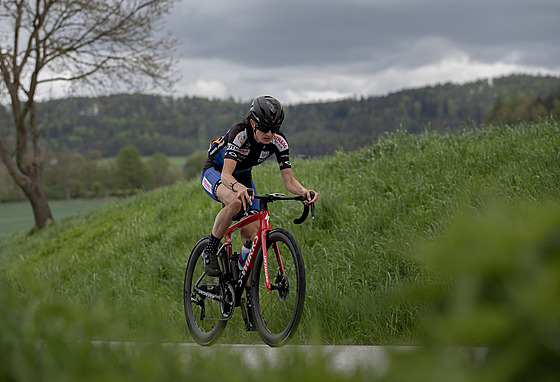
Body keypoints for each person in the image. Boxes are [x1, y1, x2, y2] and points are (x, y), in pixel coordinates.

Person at [200, 95, 319, 276]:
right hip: (216, 170)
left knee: (252, 236)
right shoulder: (239, 134)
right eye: (265, 128)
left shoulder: (278, 141)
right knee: (234, 201)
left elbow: (289, 181)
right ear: (253, 122)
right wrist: (237, 188)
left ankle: (246, 292)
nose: (270, 134)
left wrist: (304, 192)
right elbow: (226, 175)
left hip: (243, 175)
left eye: (274, 129)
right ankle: (210, 250)